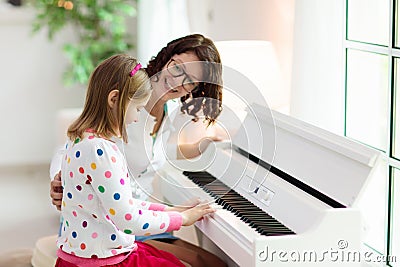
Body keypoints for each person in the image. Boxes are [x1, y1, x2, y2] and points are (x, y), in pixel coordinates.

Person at [50, 34, 226, 266]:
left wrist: (202, 146)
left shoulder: (167, 112)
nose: (179, 81)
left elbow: (156, 154)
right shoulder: (125, 105)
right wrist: (60, 180)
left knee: (210, 261)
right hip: (112, 226)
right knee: (204, 262)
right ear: (166, 59)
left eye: (190, 81)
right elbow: (73, 149)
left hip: (139, 217)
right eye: (177, 68)